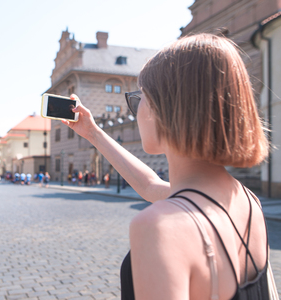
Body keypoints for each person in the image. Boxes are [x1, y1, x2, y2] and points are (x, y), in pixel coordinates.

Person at [61, 34, 272, 300]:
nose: (136, 111)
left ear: (164, 108)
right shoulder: (248, 200)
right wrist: (92, 133)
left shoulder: (160, 226)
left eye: (140, 98)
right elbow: (150, 186)